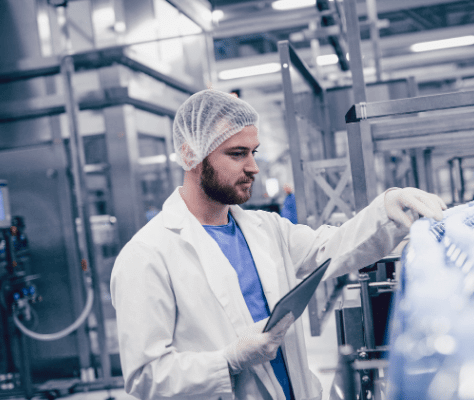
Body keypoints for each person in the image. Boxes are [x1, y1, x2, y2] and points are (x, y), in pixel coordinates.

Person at [110, 89, 447, 400]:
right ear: (190, 154)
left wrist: (388, 209)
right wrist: (228, 360)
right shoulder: (148, 255)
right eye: (237, 154)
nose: (253, 167)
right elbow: (145, 377)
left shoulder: (264, 229)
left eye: (253, 152)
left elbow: (330, 248)